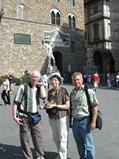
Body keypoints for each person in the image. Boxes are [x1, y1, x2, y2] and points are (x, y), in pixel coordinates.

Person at [12, 70, 46, 159]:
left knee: (38, 137)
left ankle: (40, 155)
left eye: (37, 77)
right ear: (30, 78)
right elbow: (15, 102)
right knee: (25, 139)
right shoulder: (23, 87)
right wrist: (14, 116)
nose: (35, 79)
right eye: (33, 77)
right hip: (24, 116)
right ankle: (28, 157)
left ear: (39, 78)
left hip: (35, 116)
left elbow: (43, 96)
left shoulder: (39, 88)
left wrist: (41, 85)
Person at [70, 72, 99, 159]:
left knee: (89, 145)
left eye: (78, 79)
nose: (76, 82)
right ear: (72, 82)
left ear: (82, 80)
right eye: (74, 80)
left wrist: (93, 122)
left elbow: (95, 106)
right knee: (79, 144)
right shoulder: (72, 93)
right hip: (75, 122)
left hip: (85, 121)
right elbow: (71, 108)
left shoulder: (88, 91)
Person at [45, 72, 70, 159]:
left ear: (59, 81)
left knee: (63, 137)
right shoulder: (50, 92)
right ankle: (60, 154)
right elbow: (50, 103)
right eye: (52, 80)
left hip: (62, 116)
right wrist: (45, 106)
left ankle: (63, 157)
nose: (53, 82)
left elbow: (67, 106)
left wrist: (56, 105)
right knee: (55, 137)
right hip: (52, 117)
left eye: (55, 80)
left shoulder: (63, 91)